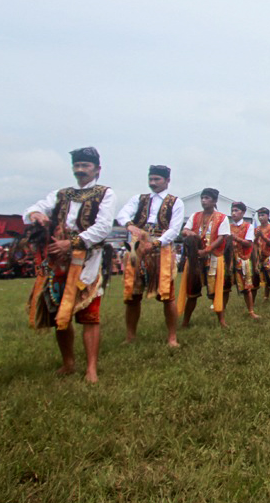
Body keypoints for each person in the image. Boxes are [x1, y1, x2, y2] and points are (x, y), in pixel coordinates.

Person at [24, 147, 116, 383]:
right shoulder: (61, 194)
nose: (80, 170)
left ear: (97, 169)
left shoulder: (105, 193)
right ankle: (68, 363)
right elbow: (34, 209)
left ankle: (91, 368)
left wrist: (72, 242)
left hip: (88, 262)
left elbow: (103, 227)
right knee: (59, 313)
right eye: (77, 165)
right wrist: (36, 215)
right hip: (59, 262)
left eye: (85, 165)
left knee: (90, 315)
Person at [116, 164, 185, 347]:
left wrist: (155, 243)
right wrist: (130, 226)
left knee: (167, 295)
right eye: (151, 179)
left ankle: (172, 337)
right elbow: (122, 214)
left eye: (157, 179)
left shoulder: (175, 202)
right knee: (133, 294)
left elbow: (174, 229)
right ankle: (130, 336)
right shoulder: (139, 199)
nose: (152, 183)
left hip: (161, 250)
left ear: (167, 181)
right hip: (137, 249)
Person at [179, 188, 231, 328]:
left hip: (213, 257)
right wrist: (191, 233)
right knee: (192, 291)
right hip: (195, 258)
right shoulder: (195, 216)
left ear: (214, 201)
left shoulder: (222, 217)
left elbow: (222, 237)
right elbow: (184, 230)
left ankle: (221, 320)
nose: (203, 200)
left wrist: (207, 250)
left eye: (207, 198)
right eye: (202, 198)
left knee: (215, 291)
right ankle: (185, 321)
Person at [229, 201, 260, 319]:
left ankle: (251, 311)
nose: (233, 213)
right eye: (232, 210)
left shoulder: (249, 226)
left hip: (243, 259)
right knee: (225, 287)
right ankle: (222, 311)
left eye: (236, 210)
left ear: (243, 213)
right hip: (229, 259)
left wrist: (236, 238)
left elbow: (249, 243)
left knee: (247, 288)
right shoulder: (228, 226)